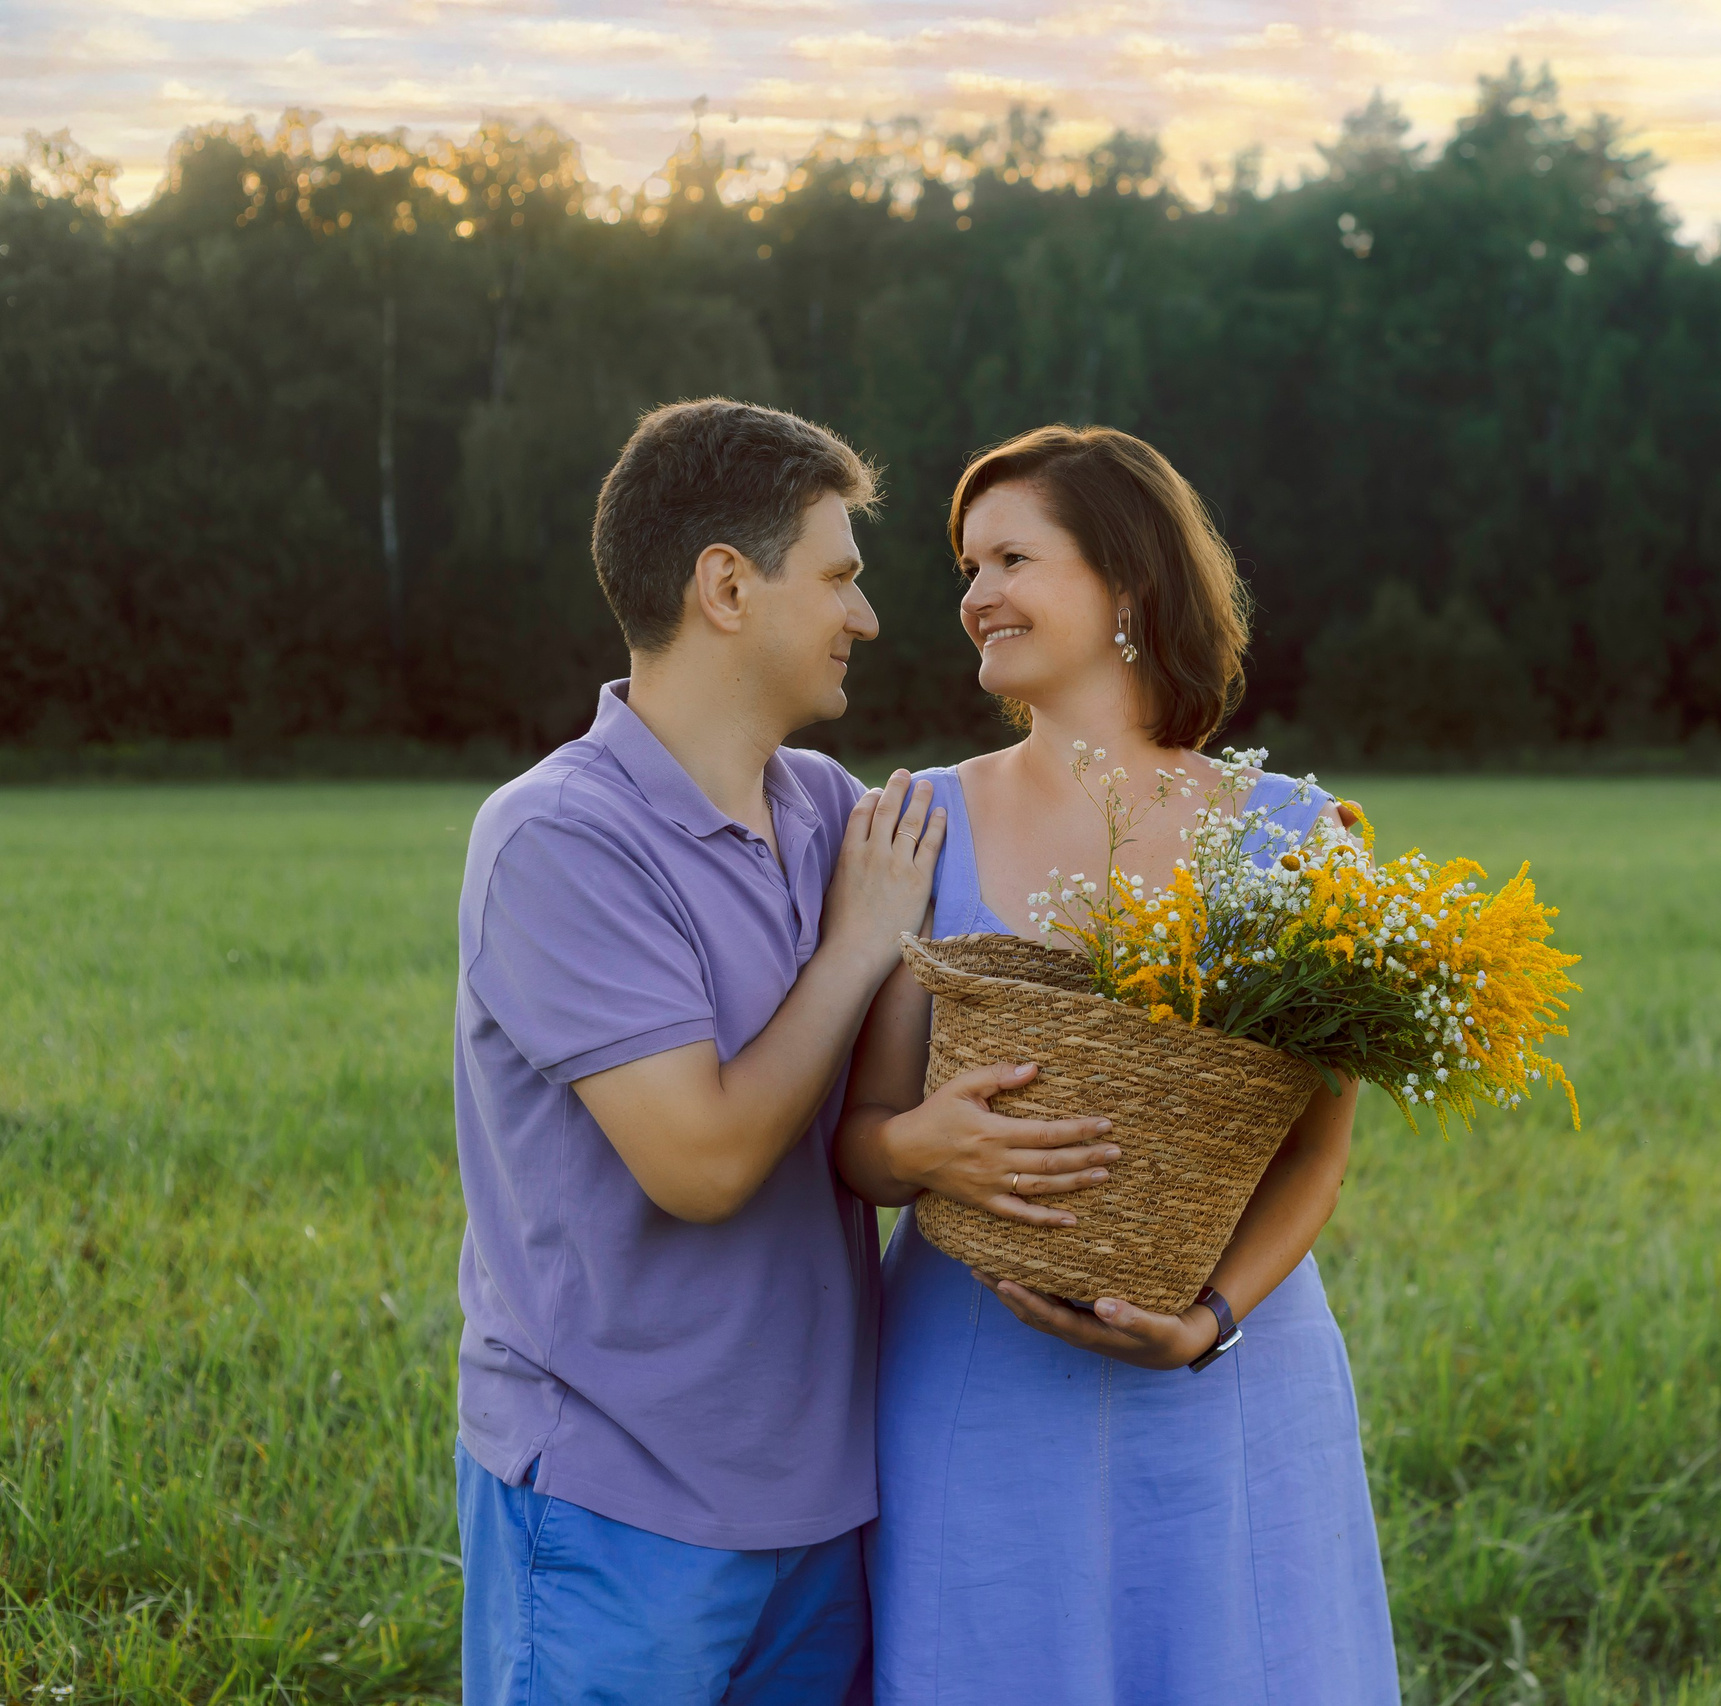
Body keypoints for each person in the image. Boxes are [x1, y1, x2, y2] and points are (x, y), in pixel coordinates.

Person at [449, 398, 1111, 1703]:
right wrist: (855, 947)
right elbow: (700, 1163)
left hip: (826, 1505)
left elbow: (1030, 922)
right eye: (839, 576)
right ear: (727, 587)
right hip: (615, 1506)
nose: (868, 615)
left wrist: (1264, 854)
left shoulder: (831, 812)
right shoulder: (560, 838)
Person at [837, 425, 1401, 1703]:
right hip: (978, 1381)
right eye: (967, 567)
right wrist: (921, 1145)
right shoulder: (919, 819)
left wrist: (1206, 1324)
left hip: (1231, 1391)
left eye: (1013, 558)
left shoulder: (1298, 834)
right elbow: (858, 1136)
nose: (977, 594)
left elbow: (1317, 1152)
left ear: (1129, 580)